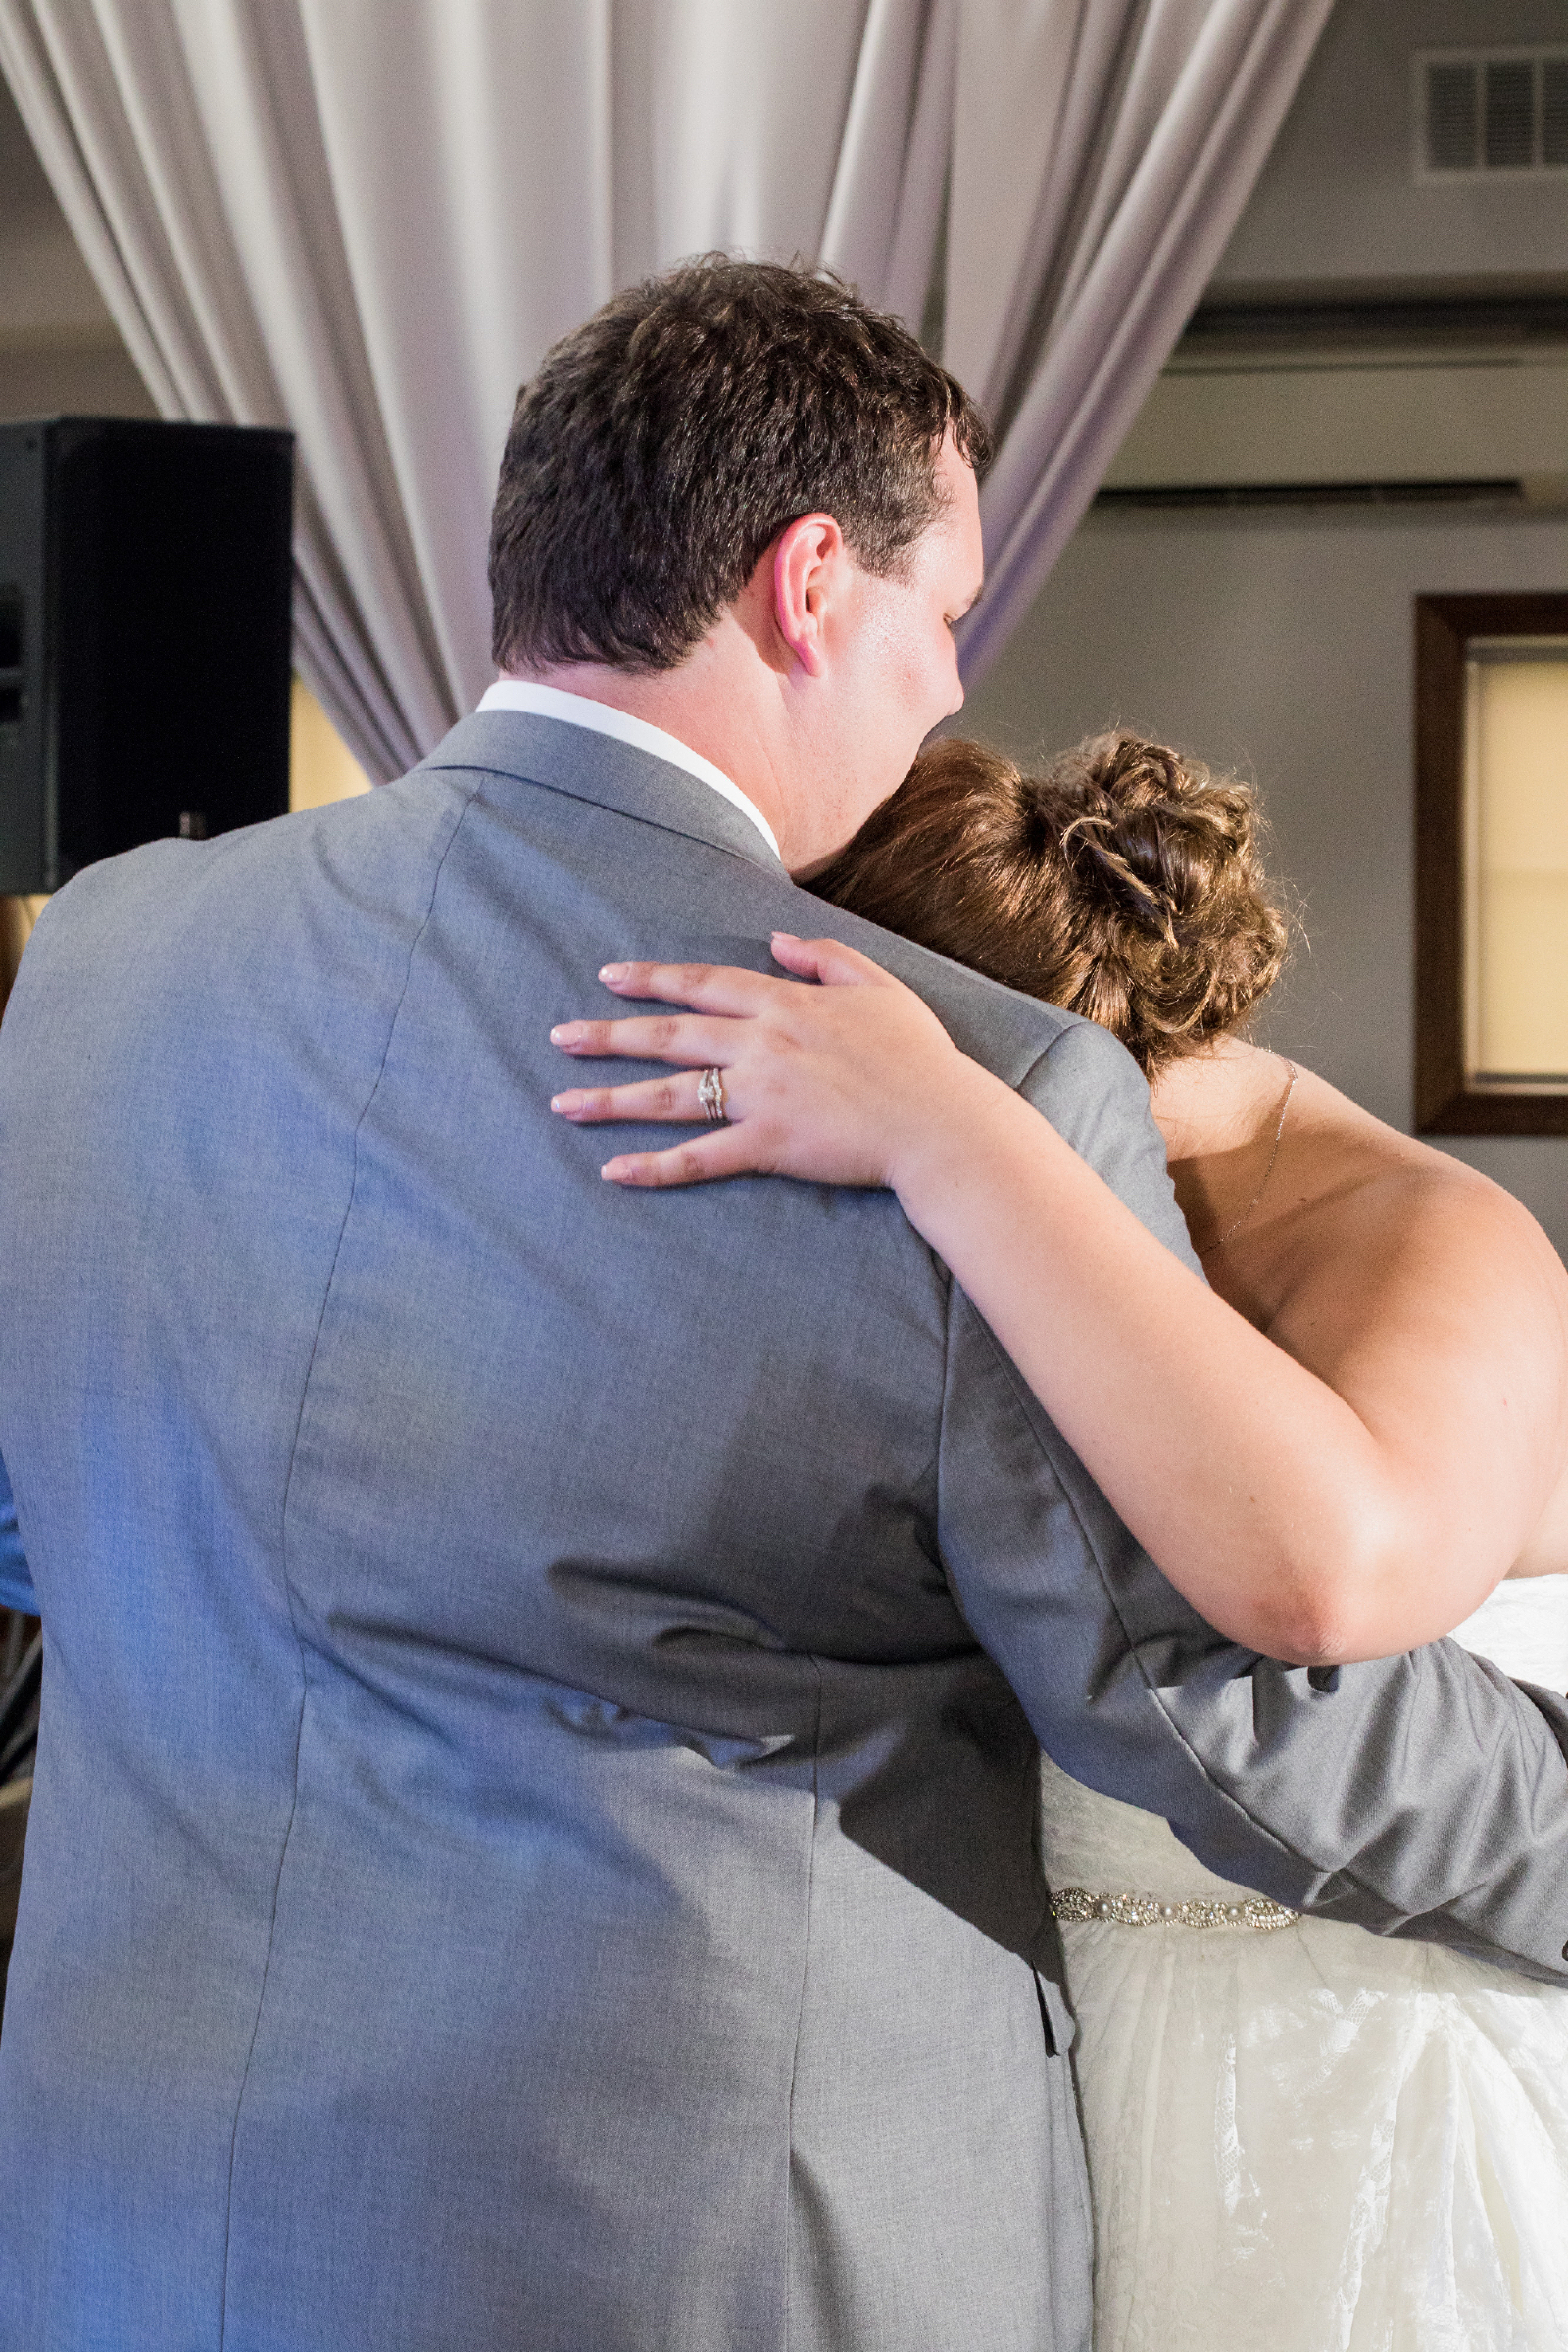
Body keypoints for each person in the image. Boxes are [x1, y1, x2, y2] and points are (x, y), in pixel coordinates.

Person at [3, 261, 1568, 2352]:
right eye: (945, 618)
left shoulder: (107, 958)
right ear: (809, 582)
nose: (944, 693)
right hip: (689, 2253)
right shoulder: (944, 1079)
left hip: (129, 2226)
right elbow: (1210, 1699)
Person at [549, 727, 1568, 2346]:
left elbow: (1325, 1585)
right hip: (1040, 2074)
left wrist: (960, 1139)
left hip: (1355, 2068)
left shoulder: (1436, 1244)